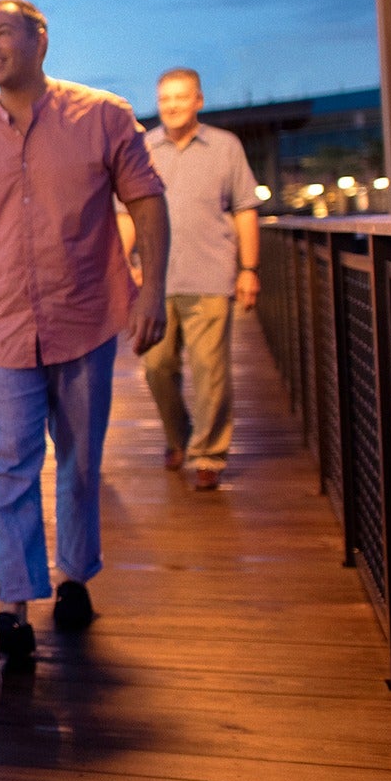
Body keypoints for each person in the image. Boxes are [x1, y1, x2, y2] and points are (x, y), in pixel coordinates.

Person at [0, 0, 169, 668]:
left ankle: (75, 577)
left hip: (86, 317)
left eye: (2, 33)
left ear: (40, 40)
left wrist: (154, 290)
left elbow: (147, 201)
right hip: (0, 326)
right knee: (11, 462)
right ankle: (13, 606)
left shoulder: (103, 116)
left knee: (80, 459)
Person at [117, 68, 261, 491]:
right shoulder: (142, 148)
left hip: (210, 275)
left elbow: (245, 209)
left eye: (181, 97)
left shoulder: (226, 146)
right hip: (155, 283)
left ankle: (209, 454)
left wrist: (249, 269)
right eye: (165, 98)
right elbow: (126, 214)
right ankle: (178, 436)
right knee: (156, 367)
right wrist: (122, 265)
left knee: (210, 370)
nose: (172, 106)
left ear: (198, 100)